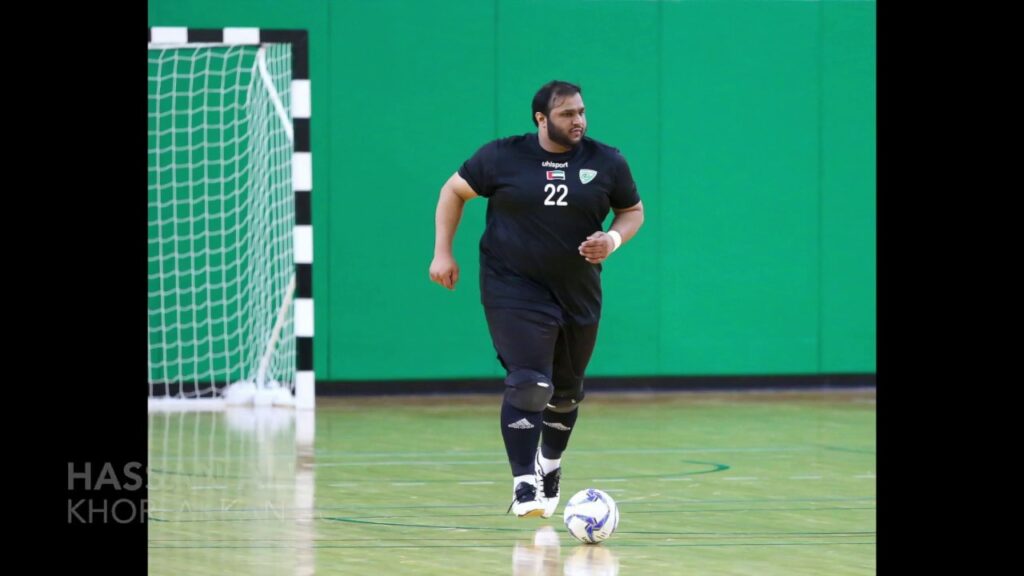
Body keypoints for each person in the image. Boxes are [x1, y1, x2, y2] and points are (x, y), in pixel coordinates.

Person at [429, 80, 644, 518]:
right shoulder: (501, 156)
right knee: (530, 382)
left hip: (577, 289)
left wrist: (613, 240)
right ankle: (523, 483)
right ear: (541, 119)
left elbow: (632, 211)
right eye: (567, 114)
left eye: (582, 112)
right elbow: (453, 191)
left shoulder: (607, 161)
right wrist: (442, 251)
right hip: (513, 286)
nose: (578, 121)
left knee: (565, 394)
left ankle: (550, 464)